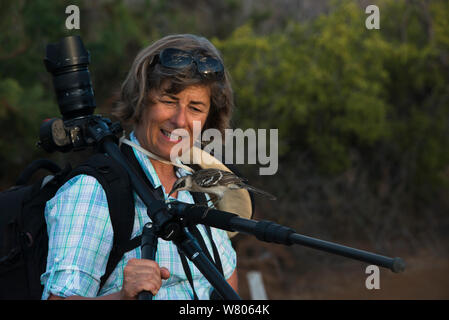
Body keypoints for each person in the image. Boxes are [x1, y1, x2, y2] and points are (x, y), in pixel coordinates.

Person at [41, 34, 239, 300]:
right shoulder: (93, 191)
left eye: (196, 108)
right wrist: (123, 297)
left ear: (208, 119)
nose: (180, 120)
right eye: (169, 100)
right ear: (141, 99)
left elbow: (228, 281)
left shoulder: (199, 186)